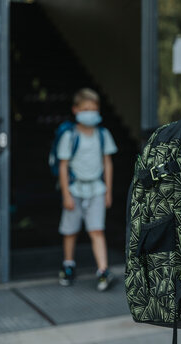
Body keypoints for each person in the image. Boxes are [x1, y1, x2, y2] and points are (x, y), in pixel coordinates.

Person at [57, 88, 117, 291]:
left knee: (97, 230)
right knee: (70, 231)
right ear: (75, 110)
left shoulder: (102, 134)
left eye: (93, 109)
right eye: (85, 109)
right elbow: (63, 166)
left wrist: (108, 190)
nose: (89, 113)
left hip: (97, 189)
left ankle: (102, 270)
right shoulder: (69, 136)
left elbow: (107, 163)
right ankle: (68, 265)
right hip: (74, 189)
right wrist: (66, 193)